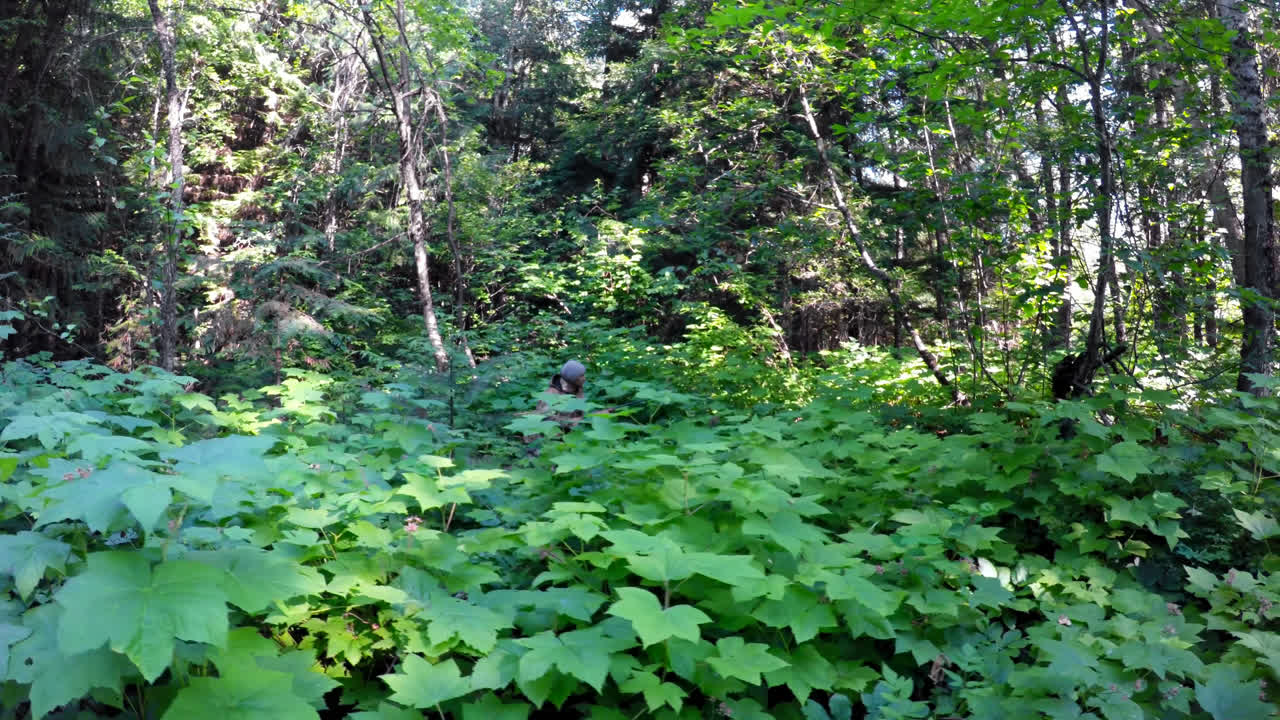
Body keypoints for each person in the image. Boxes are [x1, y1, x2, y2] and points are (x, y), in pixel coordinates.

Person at [536, 359, 587, 427]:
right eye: (581, 376)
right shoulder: (550, 396)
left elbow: (581, 412)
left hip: (577, 430)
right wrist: (575, 422)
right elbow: (545, 420)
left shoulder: (577, 388)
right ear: (572, 378)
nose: (584, 378)